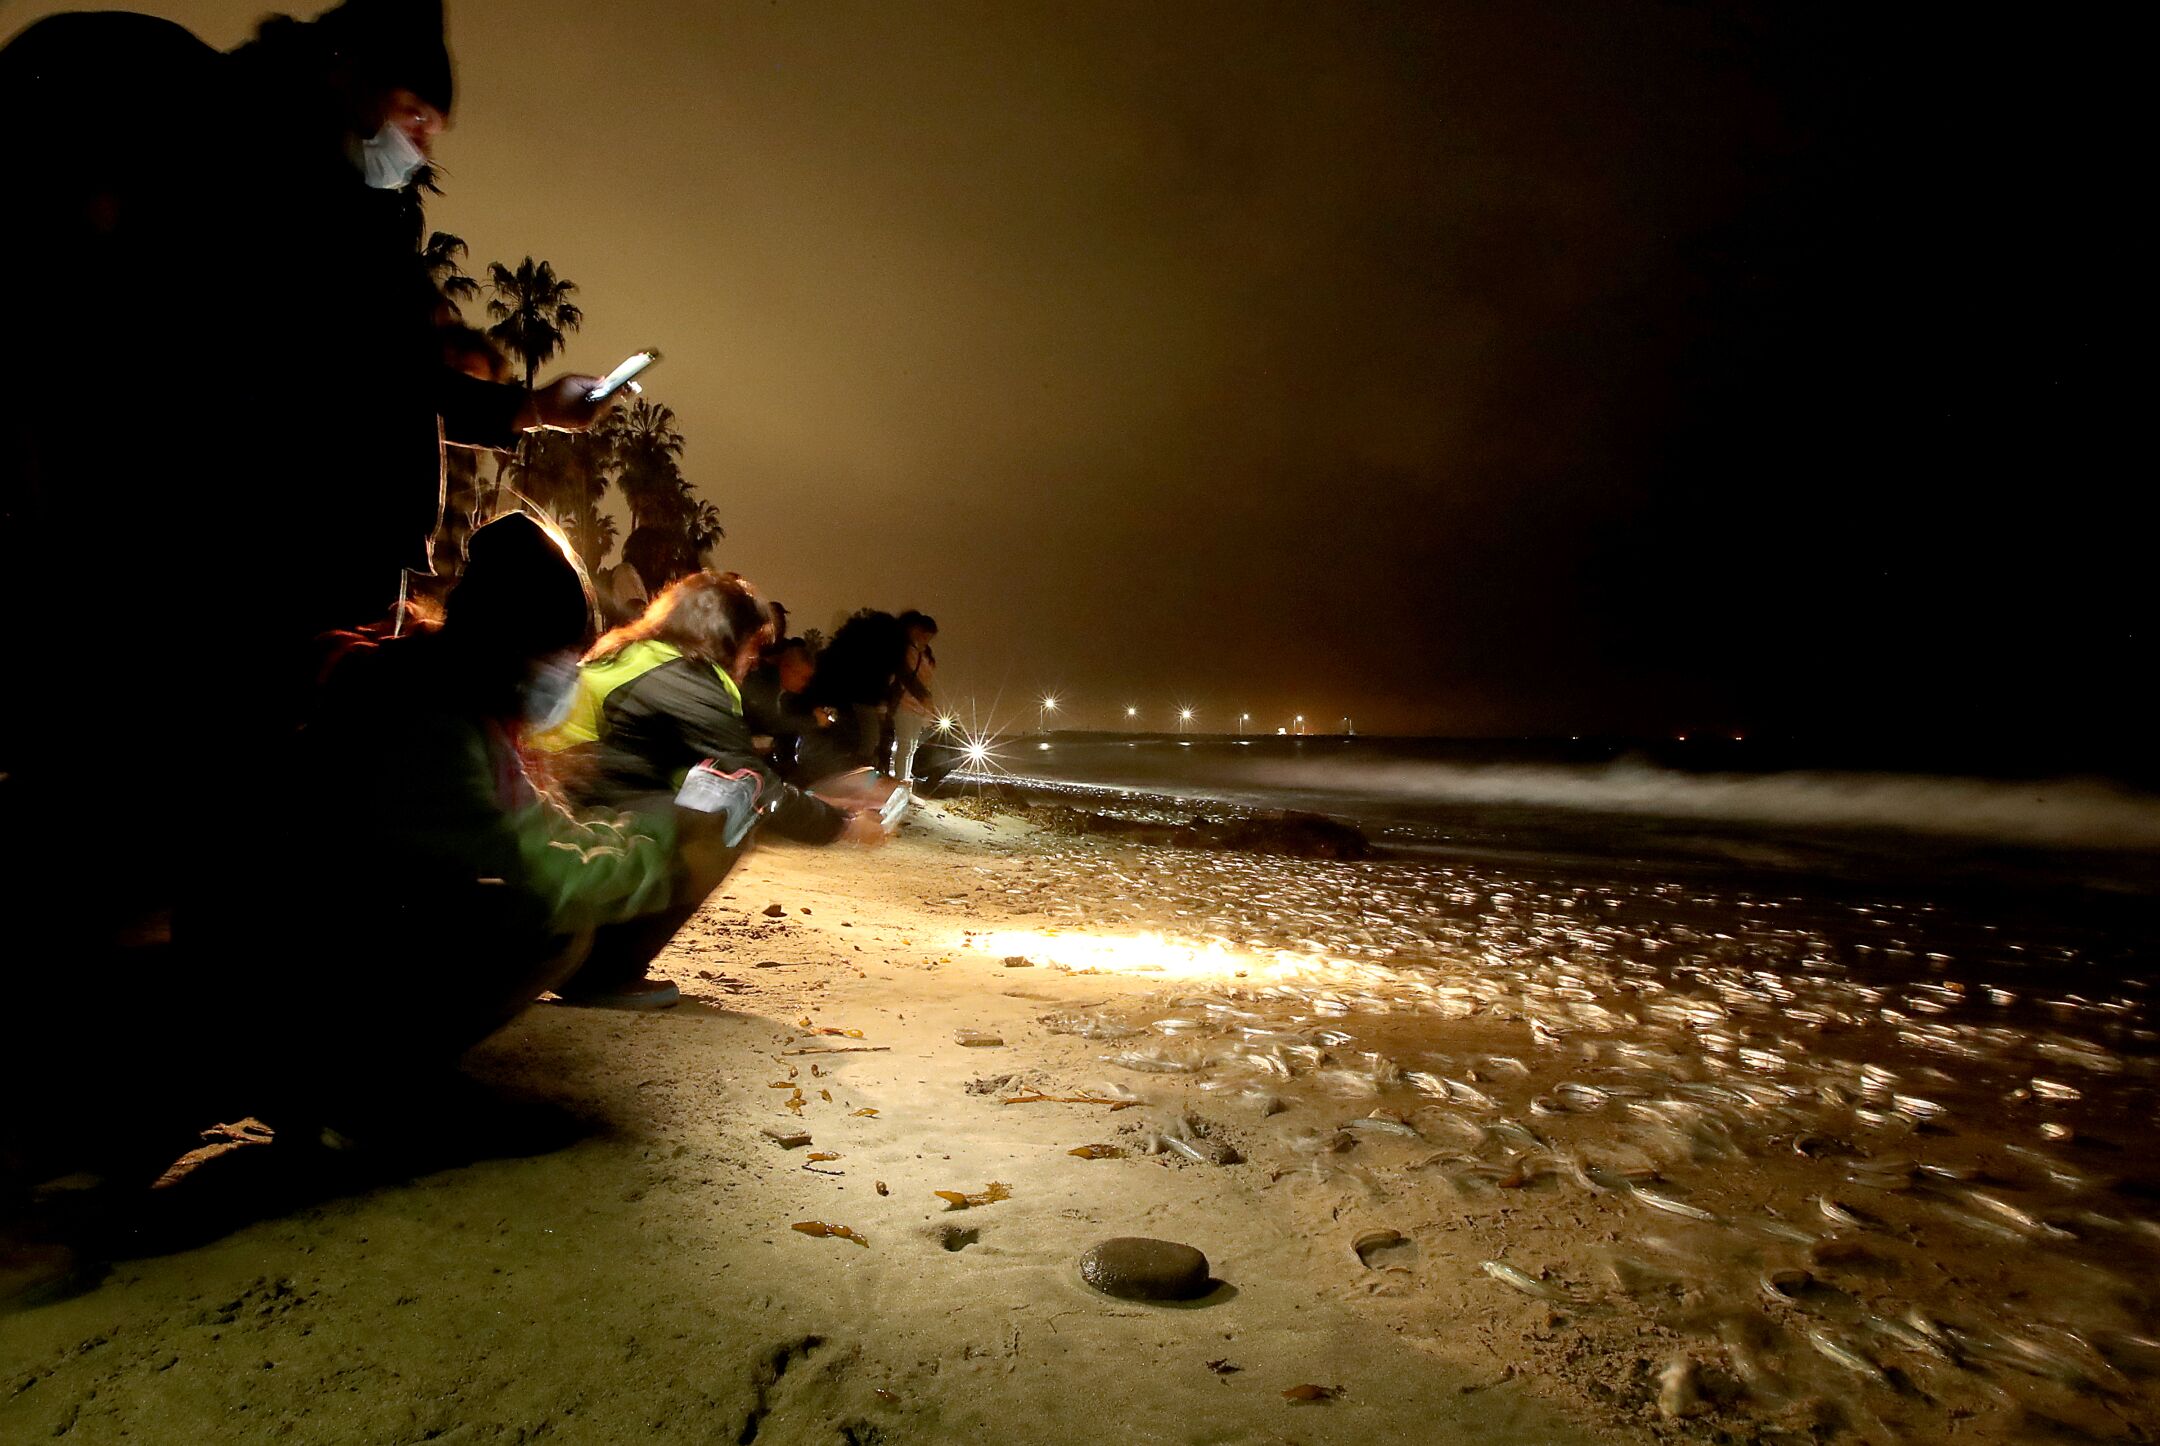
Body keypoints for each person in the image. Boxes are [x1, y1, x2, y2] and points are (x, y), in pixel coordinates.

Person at [533, 572, 889, 1007]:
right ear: (725, 633)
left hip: (554, 816)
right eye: (755, 644)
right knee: (726, 818)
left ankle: (584, 957)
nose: (757, 659)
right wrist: (841, 824)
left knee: (715, 800)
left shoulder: (637, 655)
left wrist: (821, 800)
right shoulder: (682, 674)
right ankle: (601, 972)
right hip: (564, 829)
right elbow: (749, 781)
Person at [890, 611, 939, 783]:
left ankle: (904, 783)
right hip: (905, 704)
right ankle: (900, 783)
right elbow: (907, 678)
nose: (926, 638)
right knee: (905, 746)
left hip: (917, 706)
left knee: (910, 746)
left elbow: (924, 682)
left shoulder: (922, 653)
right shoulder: (906, 651)